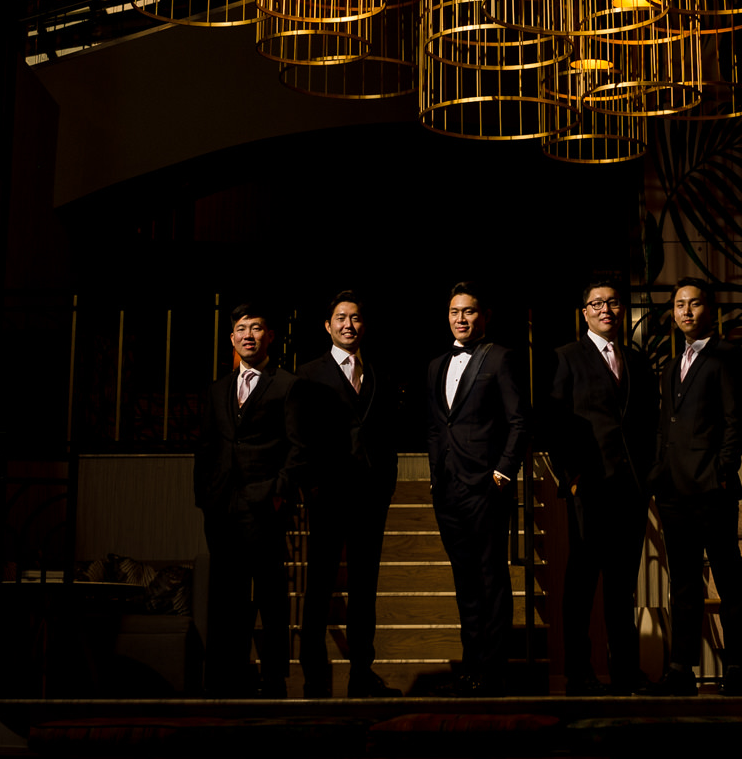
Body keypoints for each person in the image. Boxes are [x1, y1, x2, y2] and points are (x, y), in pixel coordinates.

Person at [544, 275, 658, 695]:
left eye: (612, 302)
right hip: (588, 488)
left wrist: (648, 477)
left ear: (622, 310)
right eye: (597, 303)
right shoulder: (566, 357)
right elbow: (555, 423)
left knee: (621, 586)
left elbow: (648, 423)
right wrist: (571, 478)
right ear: (584, 312)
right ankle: (579, 673)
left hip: (630, 490)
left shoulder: (637, 361)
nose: (605, 310)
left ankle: (625, 672)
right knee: (581, 584)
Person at [646, 277, 742, 696]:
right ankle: (680, 670)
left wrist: (723, 471)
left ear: (710, 309)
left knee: (728, 581)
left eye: (694, 304)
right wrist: (658, 473)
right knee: (684, 584)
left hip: (712, 487)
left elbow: (736, 421)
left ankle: (738, 668)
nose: (686, 311)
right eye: (679, 305)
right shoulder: (671, 365)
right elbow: (665, 425)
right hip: (673, 490)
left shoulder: (729, 356)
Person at [193, 302, 308, 697]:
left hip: (264, 505)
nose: (248, 335)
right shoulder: (217, 389)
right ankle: (230, 677)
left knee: (271, 596)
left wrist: (278, 493)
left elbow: (298, 448)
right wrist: (205, 497)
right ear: (232, 338)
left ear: (269, 336)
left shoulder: (287, 385)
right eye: (241, 329)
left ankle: (274, 679)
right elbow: (206, 447)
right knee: (229, 597)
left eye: (256, 328)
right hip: (221, 506)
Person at [295, 290, 402, 697]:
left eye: (355, 318)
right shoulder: (308, 374)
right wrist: (312, 485)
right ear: (328, 325)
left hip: (370, 497)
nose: (348, 325)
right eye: (341, 318)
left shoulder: (378, 373)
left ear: (364, 325)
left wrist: (387, 484)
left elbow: (387, 434)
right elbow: (299, 435)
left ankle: (362, 673)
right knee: (319, 585)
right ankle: (313, 674)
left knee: (364, 586)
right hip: (327, 495)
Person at [424, 281, 529, 696]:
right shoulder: (435, 365)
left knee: (491, 579)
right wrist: (435, 474)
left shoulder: (500, 357)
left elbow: (519, 420)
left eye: (468, 311)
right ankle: (470, 666)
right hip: (448, 489)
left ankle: (493, 669)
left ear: (484, 316)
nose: (461, 319)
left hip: (486, 487)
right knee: (465, 582)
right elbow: (436, 427)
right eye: (454, 312)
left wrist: (503, 472)